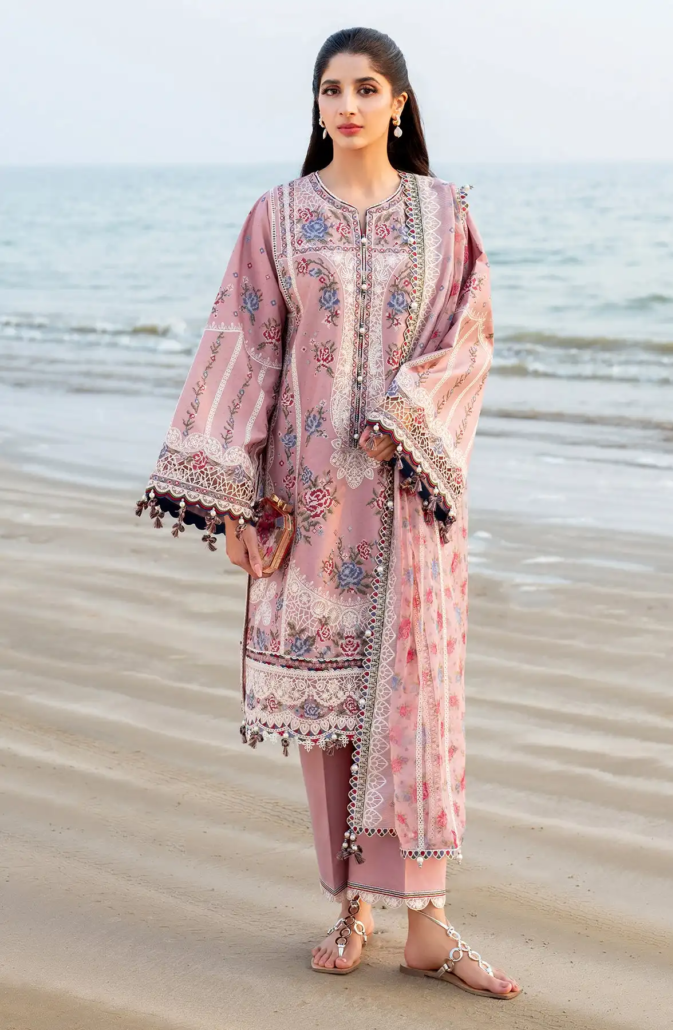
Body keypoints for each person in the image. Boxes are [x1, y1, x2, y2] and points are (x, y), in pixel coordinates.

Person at [136, 26, 521, 1000]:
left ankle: (428, 924)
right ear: (316, 106)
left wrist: (405, 415)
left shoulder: (444, 214)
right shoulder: (277, 217)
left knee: (417, 702)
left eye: (366, 88)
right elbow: (242, 342)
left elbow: (470, 340)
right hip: (305, 501)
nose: (346, 105)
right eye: (331, 90)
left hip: (408, 497)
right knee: (326, 706)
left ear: (399, 103)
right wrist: (232, 495)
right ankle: (351, 905)